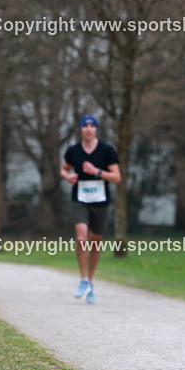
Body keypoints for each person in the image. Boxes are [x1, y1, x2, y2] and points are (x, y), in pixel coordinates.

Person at [60, 115, 121, 304]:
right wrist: (67, 176)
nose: (88, 129)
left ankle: (91, 281)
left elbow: (117, 177)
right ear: (81, 129)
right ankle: (83, 279)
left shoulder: (106, 150)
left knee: (95, 242)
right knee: (81, 238)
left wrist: (97, 172)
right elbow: (64, 169)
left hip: (100, 201)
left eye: (91, 126)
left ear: (96, 129)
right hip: (80, 199)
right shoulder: (73, 151)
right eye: (85, 126)